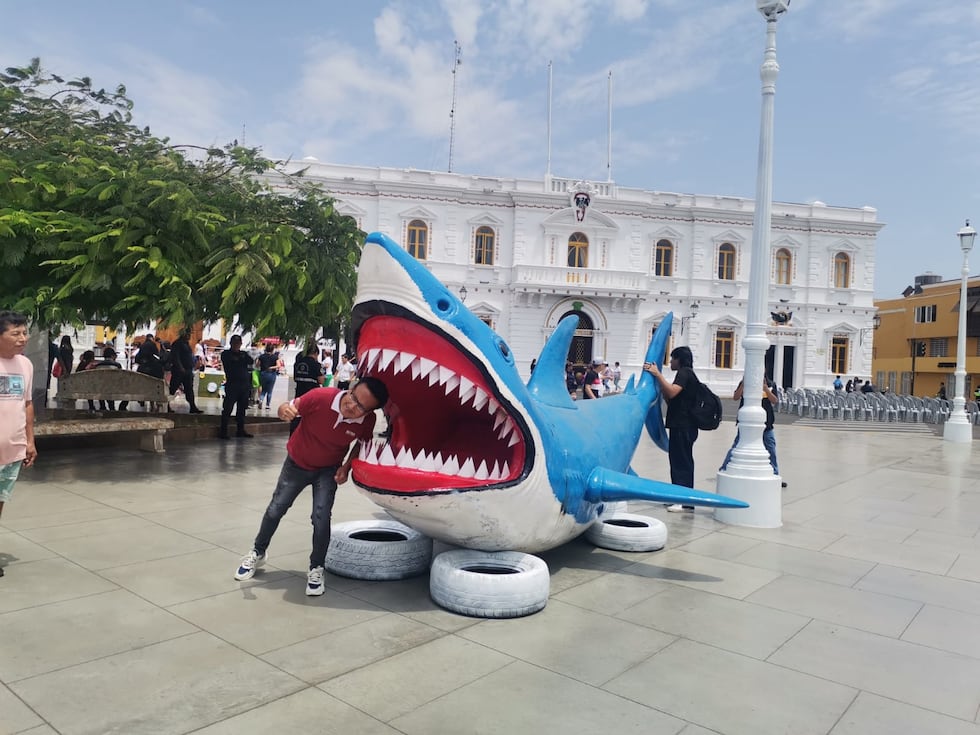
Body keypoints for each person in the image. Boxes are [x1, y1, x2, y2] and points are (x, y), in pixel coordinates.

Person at [233, 377, 390, 596]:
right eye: (353, 397)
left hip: (327, 471)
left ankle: (316, 567)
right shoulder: (320, 397)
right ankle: (258, 552)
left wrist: (346, 467)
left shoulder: (367, 421)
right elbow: (289, 408)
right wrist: (282, 410)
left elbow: (361, 444)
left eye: (361, 407)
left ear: (370, 411)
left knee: (321, 516)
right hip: (296, 464)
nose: (352, 406)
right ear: (351, 389)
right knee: (276, 508)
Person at [0, 311, 37, 578]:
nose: (22, 338)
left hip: (13, 449)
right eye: (15, 333)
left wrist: (30, 441)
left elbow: (27, 404)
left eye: (24, 332)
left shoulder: (25, 365)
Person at [644, 346, 698, 512]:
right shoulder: (686, 374)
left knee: (681, 463)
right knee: (679, 461)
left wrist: (657, 374)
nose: (671, 361)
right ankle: (680, 497)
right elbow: (673, 399)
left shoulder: (685, 373)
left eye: (673, 358)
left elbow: (673, 392)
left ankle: (683, 500)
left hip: (683, 426)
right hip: (681, 425)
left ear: (679, 359)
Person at [719, 378, 786, 488]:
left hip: (766, 423)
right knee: (736, 446)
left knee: (771, 449)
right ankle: (724, 467)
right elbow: (736, 397)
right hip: (747, 423)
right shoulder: (745, 382)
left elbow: (775, 400)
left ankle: (775, 473)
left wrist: (766, 389)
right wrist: (743, 385)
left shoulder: (770, 384)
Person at [219, 335, 254, 439]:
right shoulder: (226, 354)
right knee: (227, 409)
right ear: (231, 343)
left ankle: (240, 430)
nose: (236, 345)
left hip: (244, 386)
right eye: (234, 343)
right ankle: (223, 432)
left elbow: (250, 361)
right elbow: (232, 362)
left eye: (238, 343)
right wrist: (240, 358)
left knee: (242, 409)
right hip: (232, 385)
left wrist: (241, 357)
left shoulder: (243, 354)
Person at [291, 344, 324, 434]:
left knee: (297, 415)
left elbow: (295, 378)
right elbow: (321, 381)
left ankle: (294, 435)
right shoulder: (317, 365)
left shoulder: (297, 363)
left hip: (299, 393)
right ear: (316, 353)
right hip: (311, 394)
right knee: (309, 416)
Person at [168, 330, 203, 414]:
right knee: (172, 389)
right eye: (187, 334)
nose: (189, 336)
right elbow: (175, 357)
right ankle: (167, 405)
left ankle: (193, 407)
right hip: (179, 371)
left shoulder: (186, 344)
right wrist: (180, 367)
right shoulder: (177, 343)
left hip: (187, 370)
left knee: (189, 389)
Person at [255, 343, 279, 410]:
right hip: (272, 374)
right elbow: (278, 365)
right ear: (272, 349)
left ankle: (261, 400)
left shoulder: (262, 356)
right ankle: (267, 405)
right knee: (270, 390)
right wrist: (272, 367)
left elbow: (257, 365)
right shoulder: (275, 357)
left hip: (263, 374)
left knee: (263, 390)